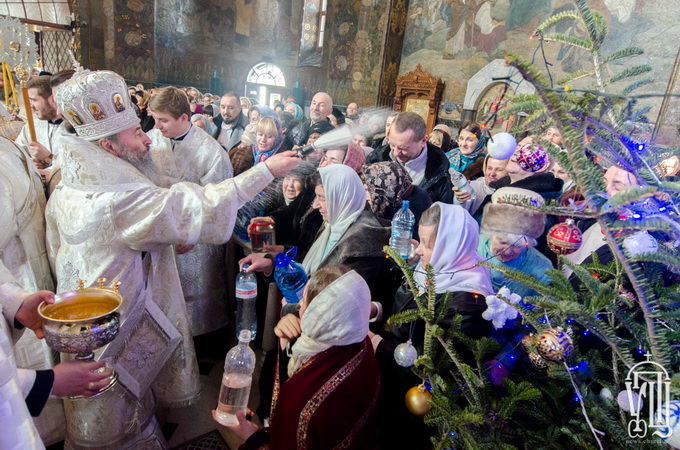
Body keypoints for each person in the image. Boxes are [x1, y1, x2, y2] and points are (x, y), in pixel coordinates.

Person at [47, 69, 299, 448]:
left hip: (81, 317)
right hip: (115, 318)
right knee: (114, 407)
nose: (148, 138)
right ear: (109, 147)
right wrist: (265, 171)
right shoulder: (118, 199)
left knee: (112, 402)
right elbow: (194, 203)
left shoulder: (73, 183)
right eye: (136, 133)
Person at [371, 202, 494, 448]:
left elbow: (428, 363)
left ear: (452, 245)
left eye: (429, 243)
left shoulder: (468, 301)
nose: (421, 251)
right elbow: (406, 313)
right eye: (422, 240)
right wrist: (378, 309)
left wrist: (379, 345)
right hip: (395, 382)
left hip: (424, 405)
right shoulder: (439, 269)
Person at [222, 267, 380, 448]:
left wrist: (251, 437)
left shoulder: (300, 396)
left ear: (319, 315)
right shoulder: (361, 343)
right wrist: (285, 344)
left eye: (305, 301)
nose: (299, 307)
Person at [241, 164, 397, 318]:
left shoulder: (363, 245)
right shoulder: (334, 223)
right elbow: (311, 260)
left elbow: (334, 306)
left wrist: (291, 310)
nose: (315, 205)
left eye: (322, 198)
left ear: (342, 197)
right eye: (316, 196)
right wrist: (272, 262)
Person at [147, 86, 234, 337]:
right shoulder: (151, 140)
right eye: (155, 119)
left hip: (195, 241)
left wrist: (193, 233)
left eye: (163, 120)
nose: (157, 126)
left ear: (184, 118)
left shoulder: (212, 153)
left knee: (196, 301)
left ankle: (201, 339)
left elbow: (218, 201)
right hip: (160, 234)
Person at [478, 187, 553, 297]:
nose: (507, 252)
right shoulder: (472, 246)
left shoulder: (542, 266)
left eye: (517, 245)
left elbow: (545, 308)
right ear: (490, 234)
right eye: (502, 242)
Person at [366, 111, 453, 203]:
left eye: (403, 148)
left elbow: (442, 212)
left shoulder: (440, 172)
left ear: (423, 141)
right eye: (392, 144)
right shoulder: (376, 159)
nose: (395, 153)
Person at [362, 161, 432, 240]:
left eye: (368, 190)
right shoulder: (377, 215)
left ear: (388, 190)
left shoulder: (409, 228)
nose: (365, 196)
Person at [14, 75, 64, 172]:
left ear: (52, 99)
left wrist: (49, 158)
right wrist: (30, 163)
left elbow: (83, 166)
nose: (31, 106)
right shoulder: (33, 124)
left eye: (34, 100)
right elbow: (17, 153)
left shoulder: (74, 126)